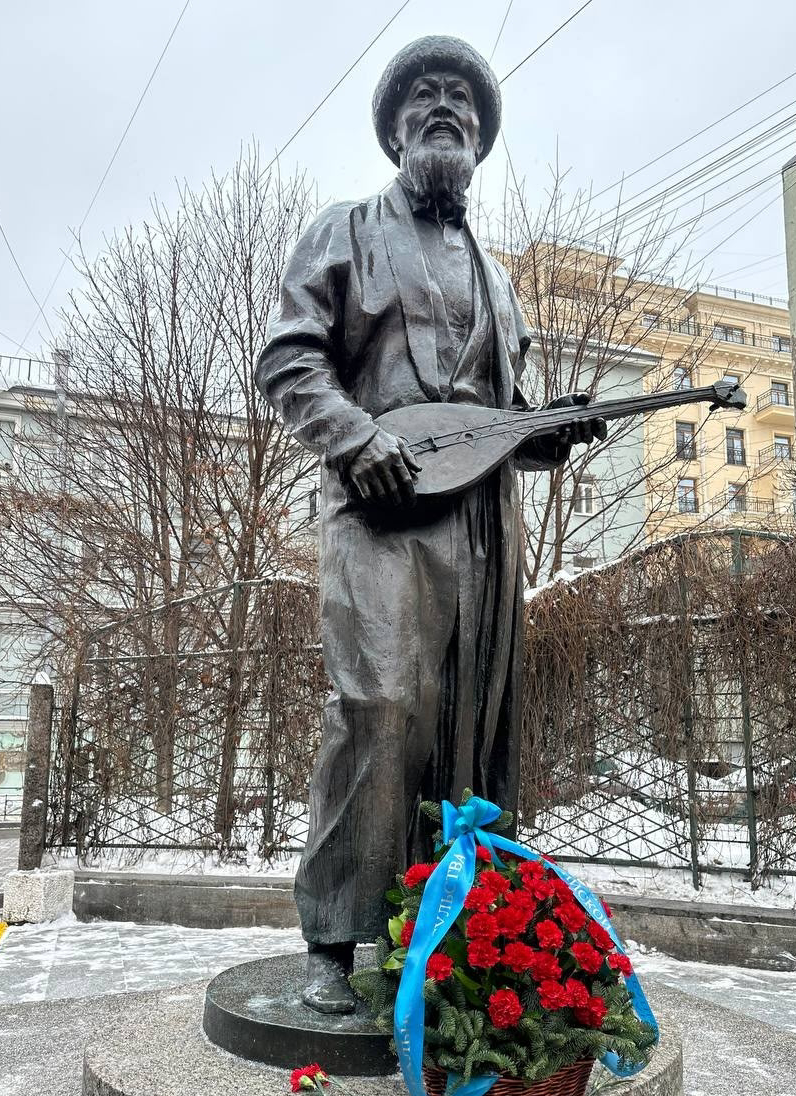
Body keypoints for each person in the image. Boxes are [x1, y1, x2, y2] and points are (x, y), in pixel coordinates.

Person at [255, 35, 604, 1012]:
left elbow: (497, 425)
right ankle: (335, 935)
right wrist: (353, 436)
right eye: (425, 94)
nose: (445, 105)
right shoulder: (345, 231)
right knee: (379, 707)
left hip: (482, 529)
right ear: (396, 128)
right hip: (378, 512)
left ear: (481, 139)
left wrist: (548, 430)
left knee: (471, 728)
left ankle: (447, 937)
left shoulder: (499, 279)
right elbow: (288, 360)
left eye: (463, 98)